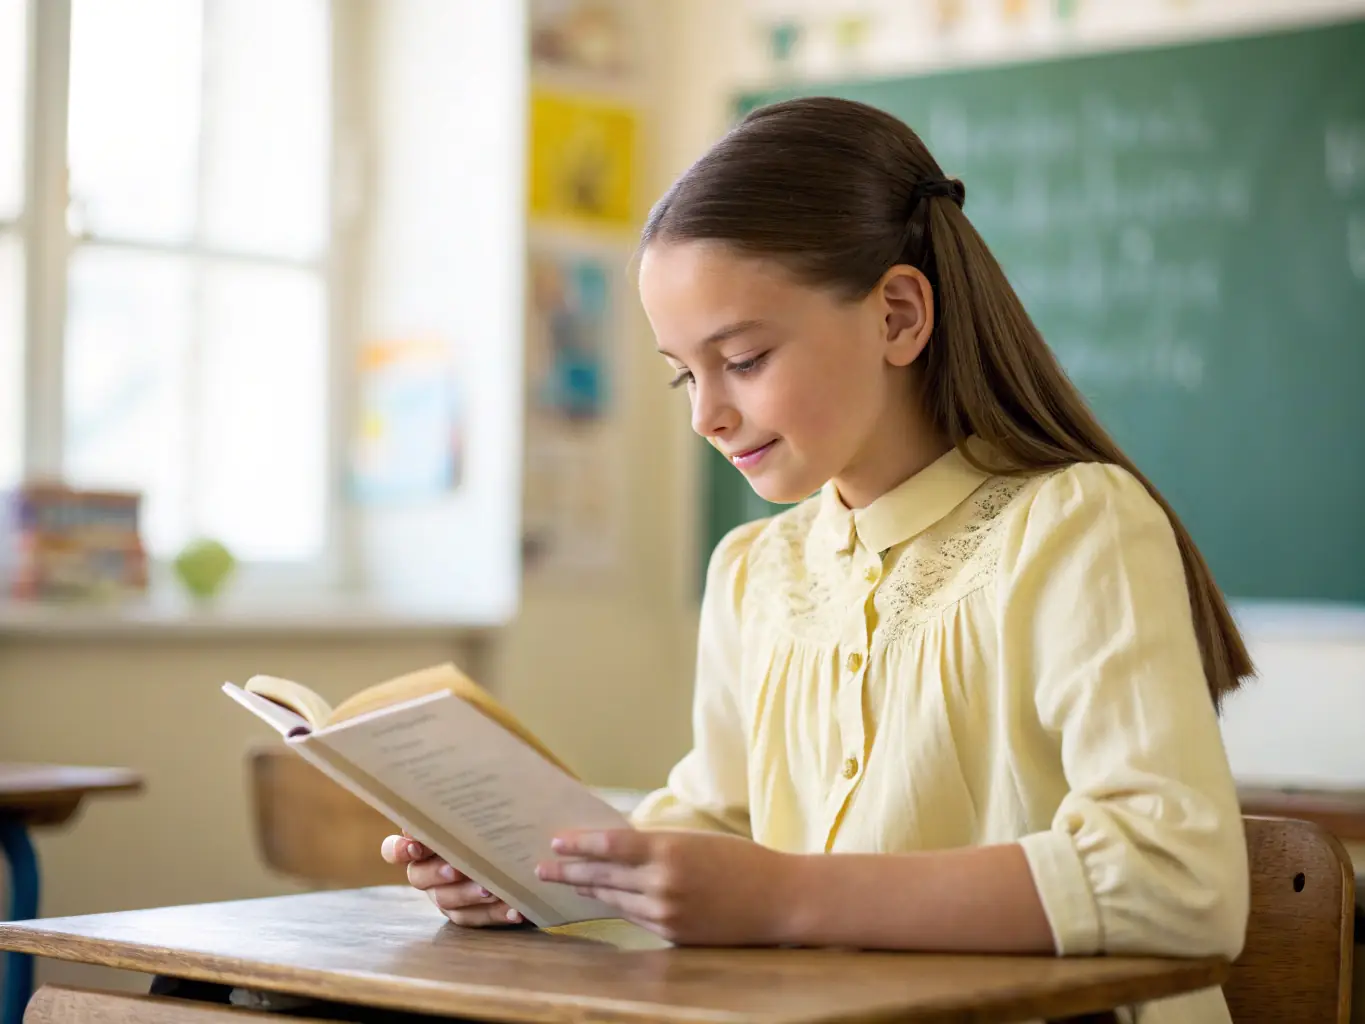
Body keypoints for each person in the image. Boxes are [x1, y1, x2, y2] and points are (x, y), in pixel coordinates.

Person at [384, 96, 1253, 1023]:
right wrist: (534, 880)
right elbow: (714, 825)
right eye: (683, 374)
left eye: (743, 359)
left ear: (897, 316)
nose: (705, 415)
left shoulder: (1074, 524)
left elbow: (1179, 881)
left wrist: (784, 896)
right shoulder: (755, 571)